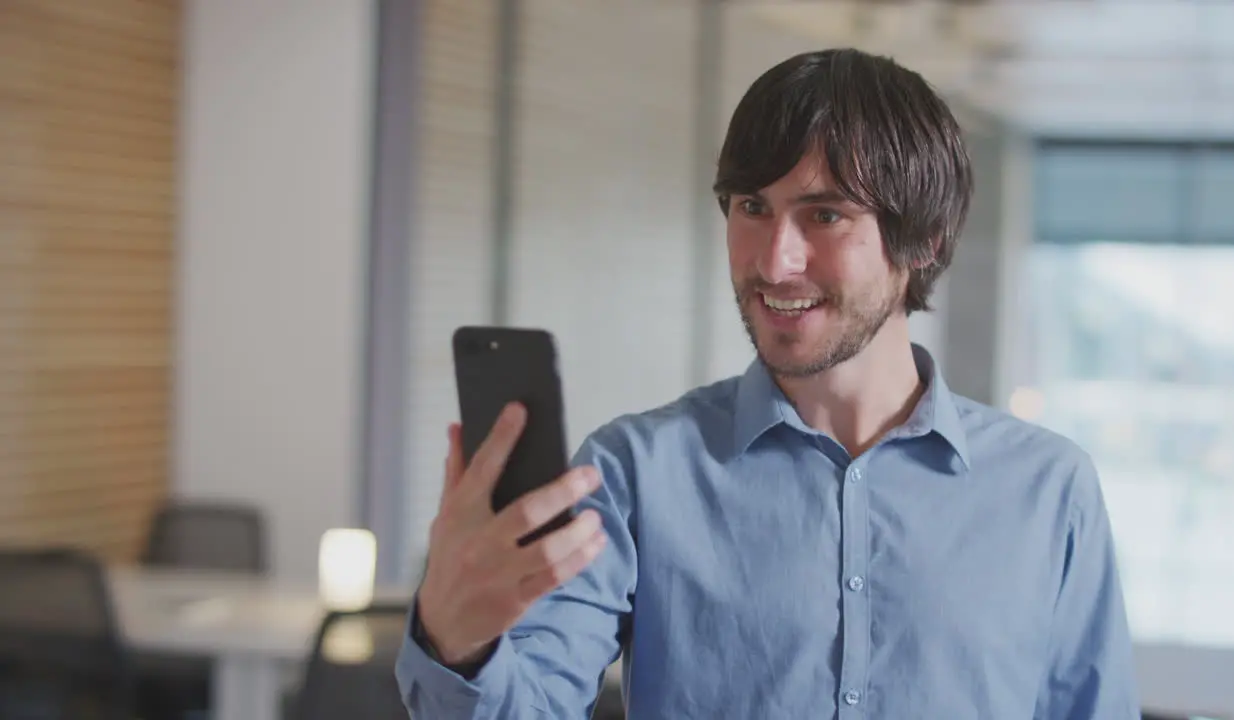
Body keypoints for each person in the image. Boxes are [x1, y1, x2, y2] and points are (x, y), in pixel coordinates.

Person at [395, 48, 1140, 719]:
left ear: (925, 240)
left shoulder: (1049, 491)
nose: (776, 260)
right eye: (753, 207)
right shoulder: (634, 474)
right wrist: (457, 643)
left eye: (824, 214)